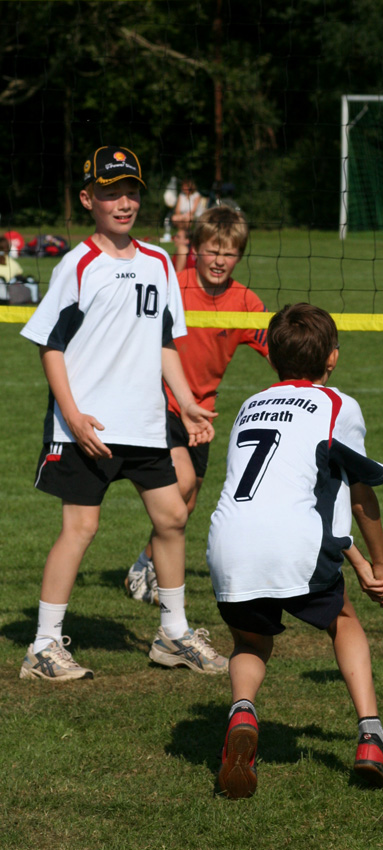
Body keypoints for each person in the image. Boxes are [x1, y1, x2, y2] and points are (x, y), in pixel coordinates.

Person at [19, 145, 227, 681]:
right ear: (89, 199)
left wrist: (185, 402)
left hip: (146, 423)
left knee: (173, 517)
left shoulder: (159, 262)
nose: (124, 201)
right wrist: (74, 415)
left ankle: (174, 636)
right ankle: (43, 646)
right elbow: (51, 345)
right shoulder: (78, 265)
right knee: (81, 527)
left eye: (131, 191)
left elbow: (164, 344)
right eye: (111, 193)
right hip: (87, 427)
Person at [207, 303, 383, 798]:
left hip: (227, 543)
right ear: (332, 358)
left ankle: (242, 714)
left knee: (251, 643)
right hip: (295, 543)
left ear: (272, 359)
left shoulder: (249, 403)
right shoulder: (338, 405)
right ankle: (371, 738)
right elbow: (357, 496)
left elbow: (298, 494)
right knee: (343, 620)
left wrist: (353, 561)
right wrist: (380, 565)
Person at [125, 205, 270, 605]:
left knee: (185, 505)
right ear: (195, 249)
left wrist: (308, 365)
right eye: (211, 250)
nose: (219, 260)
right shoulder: (173, 285)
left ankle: (145, 564)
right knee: (181, 483)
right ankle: (160, 586)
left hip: (202, 413)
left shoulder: (246, 302)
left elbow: (275, 347)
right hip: (159, 401)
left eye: (229, 253)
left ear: (239, 255)